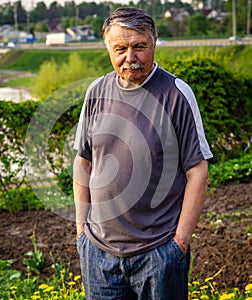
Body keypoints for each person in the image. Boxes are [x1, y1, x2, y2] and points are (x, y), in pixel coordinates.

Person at [73, 7, 213, 300]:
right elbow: (84, 161)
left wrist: (180, 243)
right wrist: (81, 230)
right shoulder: (96, 92)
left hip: (158, 255)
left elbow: (197, 170)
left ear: (154, 43)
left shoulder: (176, 94)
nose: (130, 58)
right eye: (120, 48)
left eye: (139, 47)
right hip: (98, 255)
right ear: (109, 50)